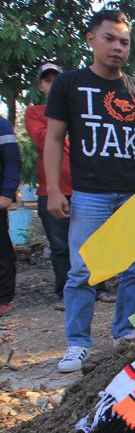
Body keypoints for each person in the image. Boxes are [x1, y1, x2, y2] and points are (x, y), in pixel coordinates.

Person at [43, 9, 135, 372]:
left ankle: (124, 335)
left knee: (133, 269)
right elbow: (53, 139)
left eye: (124, 42)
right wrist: (54, 189)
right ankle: (77, 343)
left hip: (133, 193)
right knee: (83, 270)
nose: (117, 47)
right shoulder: (69, 85)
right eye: (109, 39)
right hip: (89, 193)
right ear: (91, 40)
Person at [24, 63, 114, 311]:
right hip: (51, 190)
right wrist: (63, 134)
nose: (52, 84)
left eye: (57, 79)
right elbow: (44, 139)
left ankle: (100, 288)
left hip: (85, 189)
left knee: (93, 243)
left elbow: (91, 141)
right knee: (61, 246)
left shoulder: (80, 110)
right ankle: (65, 293)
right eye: (47, 80)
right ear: (41, 86)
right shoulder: (35, 112)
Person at [0, 116, 21, 317]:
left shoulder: (1, 124)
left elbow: (12, 159)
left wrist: (7, 192)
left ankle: (3, 297)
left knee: (2, 250)